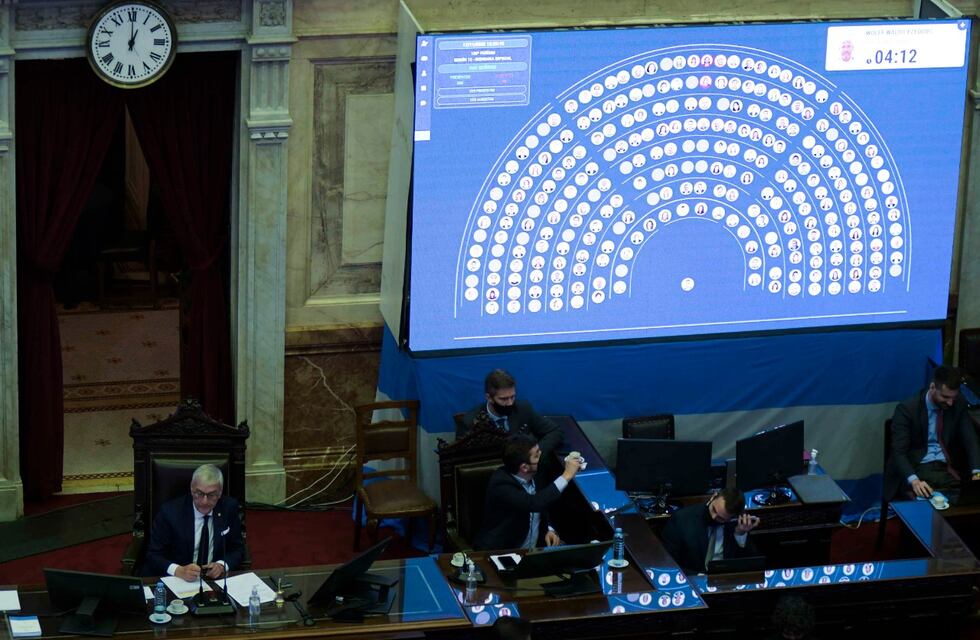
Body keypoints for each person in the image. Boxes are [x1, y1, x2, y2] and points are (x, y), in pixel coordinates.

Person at [884, 365, 980, 505]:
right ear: (932, 387)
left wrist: (977, 472)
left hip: (944, 466)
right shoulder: (907, 409)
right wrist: (914, 481)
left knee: (970, 498)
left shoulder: (958, 403)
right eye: (945, 397)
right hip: (916, 467)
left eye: (954, 397)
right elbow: (899, 452)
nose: (950, 402)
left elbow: (970, 439)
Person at [474, 434, 582, 551]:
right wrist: (567, 475)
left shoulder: (536, 472)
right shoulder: (501, 484)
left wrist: (548, 529)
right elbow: (534, 503)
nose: (541, 456)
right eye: (537, 455)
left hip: (534, 551)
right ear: (524, 467)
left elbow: (545, 498)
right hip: (502, 551)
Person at [459, 369, 564, 481]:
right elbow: (463, 464)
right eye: (503, 399)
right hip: (493, 480)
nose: (510, 403)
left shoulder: (523, 408)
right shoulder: (470, 422)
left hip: (530, 477)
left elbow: (555, 432)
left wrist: (535, 453)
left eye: (512, 397)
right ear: (489, 398)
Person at [144, 463, 244, 579]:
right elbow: (153, 555)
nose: (204, 501)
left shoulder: (229, 508)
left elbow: (237, 548)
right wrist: (178, 570)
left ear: (220, 493)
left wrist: (222, 565)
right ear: (192, 489)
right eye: (199, 493)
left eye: (211, 495)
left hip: (214, 580)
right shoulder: (169, 513)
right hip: (179, 580)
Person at [659, 487, 761, 575]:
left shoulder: (737, 525)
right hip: (692, 580)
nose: (713, 516)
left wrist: (740, 534)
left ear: (732, 518)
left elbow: (752, 566)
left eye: (721, 518)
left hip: (725, 583)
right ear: (713, 497)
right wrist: (698, 576)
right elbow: (667, 564)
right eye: (714, 510)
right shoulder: (682, 519)